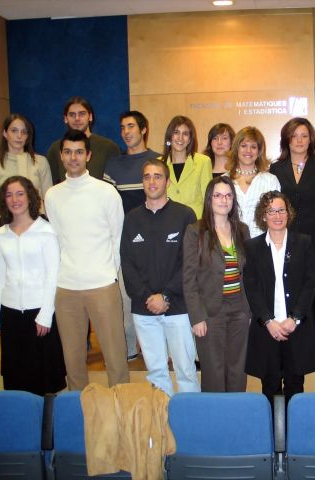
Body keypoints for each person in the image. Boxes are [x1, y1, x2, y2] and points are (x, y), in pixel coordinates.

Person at [45, 129, 129, 390]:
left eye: (79, 152)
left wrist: (109, 274)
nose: (73, 157)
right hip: (66, 287)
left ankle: (120, 406)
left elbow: (118, 238)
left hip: (102, 284)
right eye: (68, 152)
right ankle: (78, 409)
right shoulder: (52, 195)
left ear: (88, 156)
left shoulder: (106, 192)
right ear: (61, 156)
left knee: (115, 358)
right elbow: (56, 239)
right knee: (72, 361)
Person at [120, 159, 200, 395]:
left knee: (185, 369)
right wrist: (148, 297)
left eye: (157, 176)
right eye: (147, 176)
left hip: (177, 307)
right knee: (156, 371)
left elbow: (190, 262)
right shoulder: (131, 218)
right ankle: (161, 415)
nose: (152, 181)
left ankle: (188, 415)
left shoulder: (185, 215)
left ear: (167, 181)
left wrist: (165, 295)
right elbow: (127, 263)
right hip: (144, 308)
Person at [0, 176, 66, 395]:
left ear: (30, 197)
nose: (15, 200)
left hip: (39, 314)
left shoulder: (46, 232)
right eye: (9, 195)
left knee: (44, 380)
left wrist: (45, 315)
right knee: (16, 378)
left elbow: (52, 276)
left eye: (20, 194)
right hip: (10, 314)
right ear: (3, 200)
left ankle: (46, 418)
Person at [244, 191, 315, 405]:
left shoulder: (304, 242)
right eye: (271, 211)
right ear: (263, 215)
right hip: (267, 329)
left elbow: (310, 283)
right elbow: (252, 288)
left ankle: (293, 426)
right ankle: (272, 426)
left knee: (296, 387)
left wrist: (294, 318)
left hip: (295, 327)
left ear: (288, 213)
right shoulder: (253, 247)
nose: (277, 216)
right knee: (269, 387)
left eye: (281, 210)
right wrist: (268, 321)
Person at [183, 176, 251, 392]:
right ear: (209, 199)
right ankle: (215, 412)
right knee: (213, 369)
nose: (224, 200)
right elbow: (189, 278)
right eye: (218, 195)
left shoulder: (242, 230)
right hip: (210, 311)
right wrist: (197, 316)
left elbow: (248, 273)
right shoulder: (196, 231)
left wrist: (249, 311)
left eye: (228, 195)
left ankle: (236, 410)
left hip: (239, 309)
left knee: (238, 368)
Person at [104, 110, 161, 361]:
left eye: (131, 126)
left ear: (143, 129)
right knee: (125, 299)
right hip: (123, 241)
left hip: (156, 242)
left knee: (157, 294)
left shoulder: (158, 160)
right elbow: (107, 207)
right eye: (123, 127)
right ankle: (128, 349)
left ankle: (159, 352)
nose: (126, 132)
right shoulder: (113, 165)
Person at [270, 117, 315, 239]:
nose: (299, 140)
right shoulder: (276, 169)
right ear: (287, 139)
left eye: (304, 136)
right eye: (294, 136)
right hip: (286, 236)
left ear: (310, 139)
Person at [0, 114, 53, 223]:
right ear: (5, 133)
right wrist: (6, 225)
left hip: (39, 224)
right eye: (14, 131)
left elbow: (49, 198)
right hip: (9, 225)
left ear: (28, 136)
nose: (19, 136)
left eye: (24, 132)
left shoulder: (41, 162)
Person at [46, 96, 120, 184]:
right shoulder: (55, 149)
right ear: (65, 119)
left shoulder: (109, 147)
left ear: (90, 117)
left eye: (82, 114)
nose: (77, 118)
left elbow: (117, 182)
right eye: (72, 115)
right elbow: (53, 184)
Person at [226, 126, 280, 238]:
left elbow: (276, 216)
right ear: (236, 149)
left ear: (259, 151)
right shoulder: (224, 181)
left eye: (253, 147)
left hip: (262, 243)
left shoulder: (270, 181)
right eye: (244, 146)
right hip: (230, 243)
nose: (248, 151)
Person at [162, 115, 212, 218]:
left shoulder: (203, 162)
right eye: (176, 132)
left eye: (185, 134)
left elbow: (209, 200)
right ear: (170, 136)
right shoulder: (159, 164)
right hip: (166, 222)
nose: (180, 138)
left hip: (195, 223)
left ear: (189, 139)